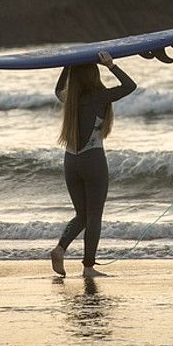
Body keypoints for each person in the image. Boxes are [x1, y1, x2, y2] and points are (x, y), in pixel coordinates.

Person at [49, 51, 136, 278]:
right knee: (94, 215)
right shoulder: (101, 97)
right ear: (93, 74)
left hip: (71, 161)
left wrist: (66, 66)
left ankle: (60, 249)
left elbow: (57, 90)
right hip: (93, 160)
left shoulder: (69, 98)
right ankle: (88, 267)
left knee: (82, 214)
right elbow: (130, 86)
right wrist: (111, 65)